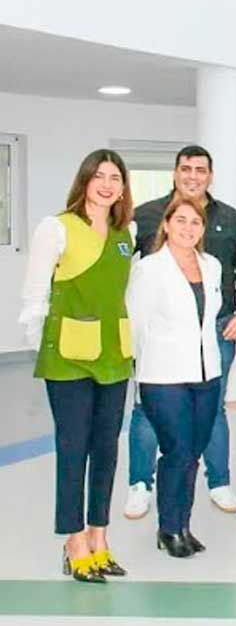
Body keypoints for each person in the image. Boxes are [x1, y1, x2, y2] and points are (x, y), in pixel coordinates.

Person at [19, 149, 136, 583]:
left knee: (107, 448)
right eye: (99, 176)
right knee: (73, 448)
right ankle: (73, 541)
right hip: (68, 358)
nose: (106, 184)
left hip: (114, 354)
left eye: (115, 178)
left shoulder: (127, 233)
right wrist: (45, 348)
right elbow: (35, 295)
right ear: (84, 181)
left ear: (123, 188)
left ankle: (99, 537)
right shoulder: (57, 228)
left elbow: (125, 294)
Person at [124, 145, 236, 520]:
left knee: (213, 410)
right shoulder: (146, 215)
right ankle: (140, 484)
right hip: (162, 335)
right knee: (147, 409)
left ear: (210, 175)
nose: (193, 176)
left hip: (216, 330)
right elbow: (127, 274)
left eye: (201, 170)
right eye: (186, 168)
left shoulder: (231, 219)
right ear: (175, 172)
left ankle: (219, 482)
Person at [125, 197, 223, 558]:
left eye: (195, 222)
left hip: (206, 373)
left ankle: (183, 524)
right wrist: (139, 379)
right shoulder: (149, 268)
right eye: (180, 220)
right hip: (163, 375)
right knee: (177, 450)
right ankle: (168, 528)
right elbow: (135, 325)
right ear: (166, 225)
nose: (188, 228)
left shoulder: (211, 266)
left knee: (193, 452)